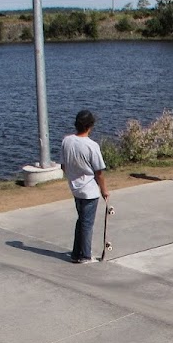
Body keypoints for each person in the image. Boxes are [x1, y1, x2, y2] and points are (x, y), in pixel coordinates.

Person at [59, 109, 109, 264]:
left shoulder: (66, 141)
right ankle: (86, 255)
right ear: (90, 126)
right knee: (87, 223)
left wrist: (72, 177)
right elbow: (98, 172)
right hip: (89, 190)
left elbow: (63, 166)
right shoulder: (91, 145)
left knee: (81, 220)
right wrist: (104, 190)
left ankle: (76, 253)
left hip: (75, 187)